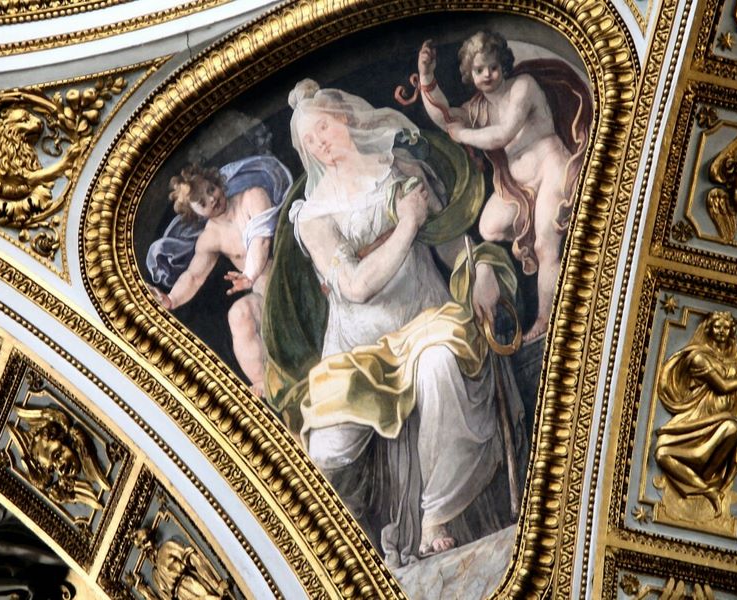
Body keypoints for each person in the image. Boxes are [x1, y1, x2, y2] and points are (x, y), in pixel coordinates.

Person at [272, 78, 526, 565]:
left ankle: (436, 515)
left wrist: (481, 271)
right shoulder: (313, 216)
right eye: (309, 141)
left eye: (323, 128)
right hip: (357, 352)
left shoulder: (403, 170)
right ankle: (339, 559)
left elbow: (451, 244)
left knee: (440, 365)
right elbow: (355, 287)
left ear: (345, 119)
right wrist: (407, 223)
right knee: (324, 452)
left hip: (426, 322)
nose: (321, 143)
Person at [416, 31, 591, 341]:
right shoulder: (478, 108)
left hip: (551, 167)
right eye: (479, 70)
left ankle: (546, 320)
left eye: (493, 67)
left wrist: (463, 135)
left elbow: (503, 134)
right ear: (469, 74)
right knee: (489, 227)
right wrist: (427, 77)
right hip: (519, 185)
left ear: (503, 65)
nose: (487, 75)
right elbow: (445, 117)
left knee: (545, 246)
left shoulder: (523, 87)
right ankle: (539, 236)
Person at [147, 156, 291, 397]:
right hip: (267, 297)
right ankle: (262, 381)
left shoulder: (252, 197)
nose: (212, 199)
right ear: (194, 213)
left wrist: (249, 274)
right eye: (202, 202)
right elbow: (194, 276)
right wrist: (171, 299)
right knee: (238, 314)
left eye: (211, 189)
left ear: (217, 182)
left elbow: (262, 240)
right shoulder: (211, 238)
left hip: (293, 279)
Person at [654, 311, 737, 516]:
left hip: (723, 420)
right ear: (709, 329)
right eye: (717, 326)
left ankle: (708, 474)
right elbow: (723, 386)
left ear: (731, 331)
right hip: (697, 419)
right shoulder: (699, 357)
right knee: (662, 454)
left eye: (726, 327)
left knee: (734, 429)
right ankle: (708, 490)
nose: (721, 331)